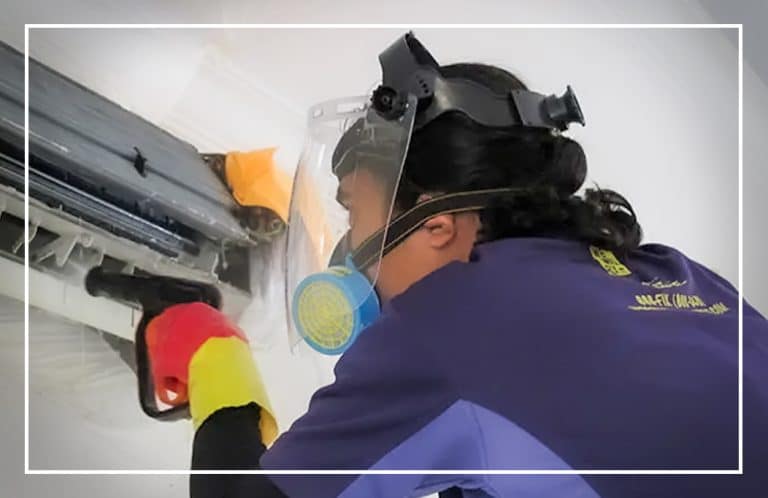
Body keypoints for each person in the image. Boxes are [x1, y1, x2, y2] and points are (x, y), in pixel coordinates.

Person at [145, 32, 768, 498]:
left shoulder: (447, 323)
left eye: (353, 211)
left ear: (436, 223)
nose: (347, 248)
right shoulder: (677, 274)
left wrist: (213, 353)